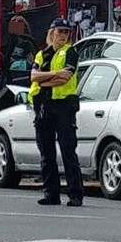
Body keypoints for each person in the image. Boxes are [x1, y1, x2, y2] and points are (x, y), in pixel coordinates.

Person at [28, 17, 84, 207]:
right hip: (43, 106)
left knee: (68, 150)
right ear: (51, 32)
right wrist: (51, 76)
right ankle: (51, 194)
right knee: (46, 152)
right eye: (60, 31)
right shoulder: (41, 54)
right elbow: (33, 76)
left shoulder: (70, 52)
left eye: (66, 32)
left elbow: (65, 78)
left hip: (63, 106)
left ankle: (75, 195)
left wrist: (43, 82)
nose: (63, 35)